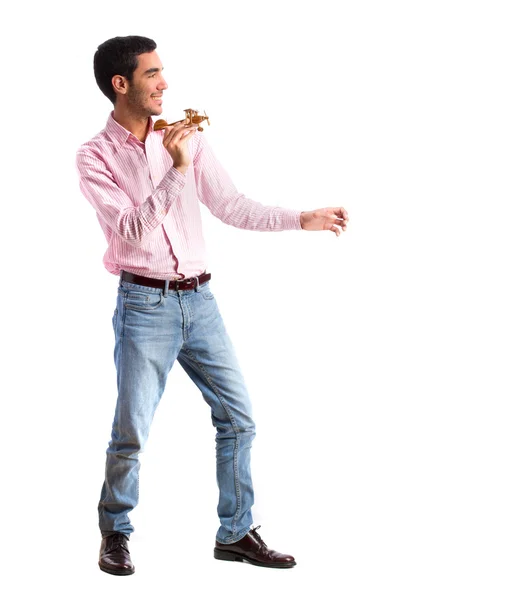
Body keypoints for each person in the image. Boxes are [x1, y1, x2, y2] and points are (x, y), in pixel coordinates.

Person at [75, 35, 349, 576]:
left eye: (163, 71)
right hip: (144, 305)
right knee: (131, 431)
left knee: (239, 419)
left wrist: (302, 219)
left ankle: (236, 532)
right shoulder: (94, 156)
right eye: (153, 74)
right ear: (121, 84)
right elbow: (129, 230)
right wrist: (175, 171)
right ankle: (115, 533)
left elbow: (231, 205)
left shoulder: (187, 139)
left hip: (200, 302)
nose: (165, 83)